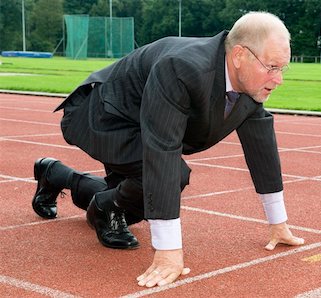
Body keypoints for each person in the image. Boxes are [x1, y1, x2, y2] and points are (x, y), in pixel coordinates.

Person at [32, 11, 305, 287]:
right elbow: (162, 148)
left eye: (283, 68)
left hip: (139, 122)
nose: (278, 78)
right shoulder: (182, 68)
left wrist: (278, 223)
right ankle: (103, 206)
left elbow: (261, 146)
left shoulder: (247, 85)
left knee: (137, 203)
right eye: (272, 67)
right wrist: (168, 250)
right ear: (239, 55)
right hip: (103, 116)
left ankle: (56, 175)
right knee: (172, 176)